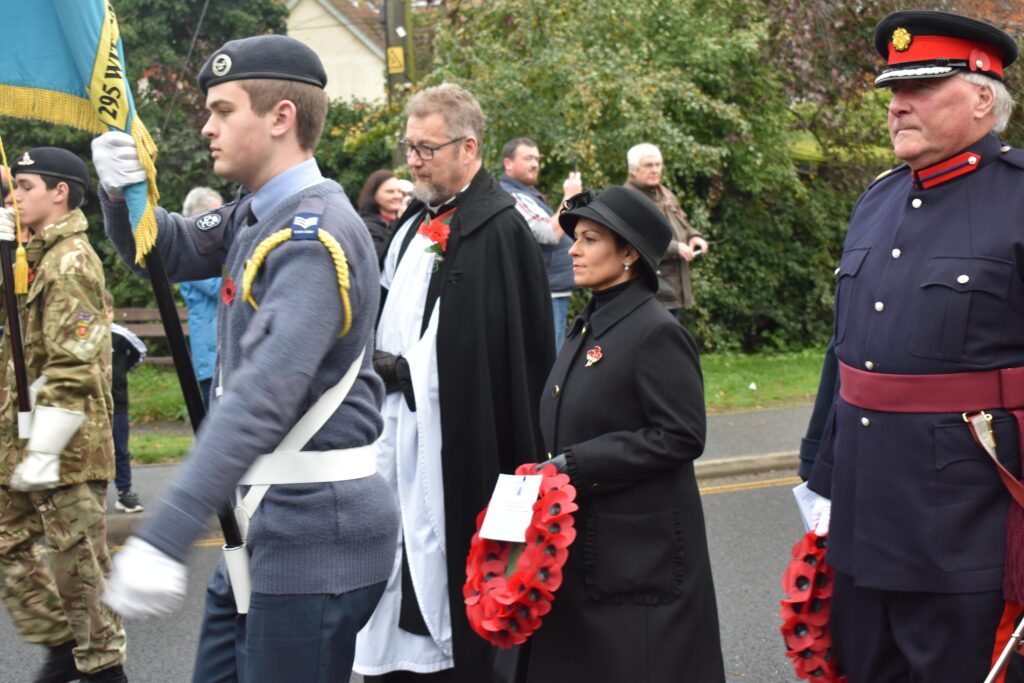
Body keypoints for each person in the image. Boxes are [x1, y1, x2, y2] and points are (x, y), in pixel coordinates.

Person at [91, 34, 399, 681]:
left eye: (223, 110)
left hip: (315, 537)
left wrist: (166, 530)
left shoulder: (312, 237)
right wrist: (123, 195)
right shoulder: (256, 214)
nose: (207, 126)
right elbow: (169, 249)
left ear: (281, 118)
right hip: (268, 527)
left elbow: (263, 393)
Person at [805, 10, 1024, 682]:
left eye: (923, 88)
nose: (898, 104)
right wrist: (819, 480)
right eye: (894, 90)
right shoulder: (876, 201)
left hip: (966, 534)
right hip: (866, 526)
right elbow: (844, 354)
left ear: (984, 97)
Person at [356, 83, 554, 682]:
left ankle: (449, 659)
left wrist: (405, 369)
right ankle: (395, 657)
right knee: (393, 544)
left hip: (456, 429)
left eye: (426, 148)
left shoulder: (500, 230)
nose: (412, 161)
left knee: (440, 545)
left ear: (469, 147)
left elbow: (498, 351)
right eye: (408, 147)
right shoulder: (416, 222)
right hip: (394, 420)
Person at [511, 186, 725, 682]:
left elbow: (681, 434)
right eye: (575, 238)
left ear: (629, 253)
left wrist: (577, 464)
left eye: (589, 239)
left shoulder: (655, 331)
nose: (573, 250)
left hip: (637, 557)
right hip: (588, 543)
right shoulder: (591, 323)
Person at [0, 147, 127, 681]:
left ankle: (101, 668)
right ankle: (59, 644)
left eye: (24, 186)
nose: (15, 196)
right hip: (24, 438)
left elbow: (74, 365)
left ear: (60, 192)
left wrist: (46, 448)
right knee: (9, 543)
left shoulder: (71, 259)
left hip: (66, 444)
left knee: (79, 567)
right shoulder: (32, 254)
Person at [499, 137, 582, 350]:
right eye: (528, 158)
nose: (535, 164)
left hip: (552, 289)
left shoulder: (526, 195)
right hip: (546, 293)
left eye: (536, 159)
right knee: (549, 363)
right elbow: (549, 232)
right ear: (508, 163)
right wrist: (570, 197)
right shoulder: (512, 196)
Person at [625, 143, 708, 319]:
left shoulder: (664, 194)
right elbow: (638, 242)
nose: (655, 170)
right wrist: (676, 248)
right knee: (651, 345)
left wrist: (694, 236)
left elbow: (682, 223)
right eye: (648, 165)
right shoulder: (628, 199)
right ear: (633, 170)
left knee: (669, 344)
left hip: (671, 290)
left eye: (658, 164)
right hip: (648, 291)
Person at [178, 186, 224, 408]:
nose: (223, 218)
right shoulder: (193, 250)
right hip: (210, 351)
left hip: (220, 348)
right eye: (218, 213)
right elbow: (220, 288)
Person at [104, 290, 147, 513]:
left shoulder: (119, 335)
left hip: (118, 402)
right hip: (93, 404)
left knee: (120, 449)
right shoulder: (83, 334)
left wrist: (122, 371)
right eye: (101, 311)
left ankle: (124, 492)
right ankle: (93, 495)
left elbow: (140, 351)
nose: (106, 315)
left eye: (109, 310)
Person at [358, 170, 405, 260]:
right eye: (390, 192)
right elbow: (380, 258)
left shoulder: (406, 221)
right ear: (374, 195)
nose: (397, 196)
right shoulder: (366, 227)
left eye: (399, 191)